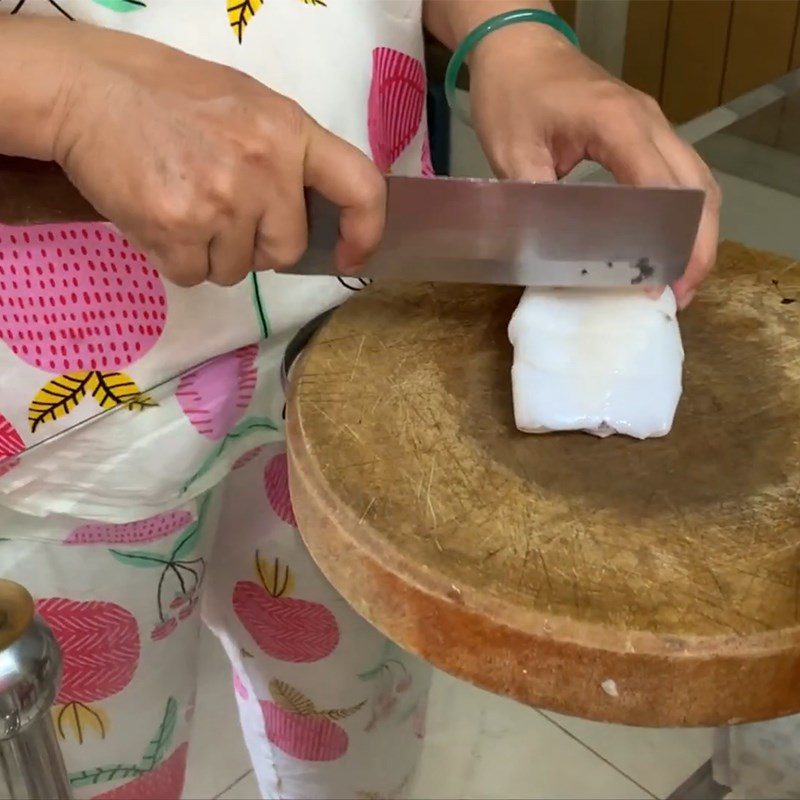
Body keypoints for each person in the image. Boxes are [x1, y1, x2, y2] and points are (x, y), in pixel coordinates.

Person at [0, 2, 720, 798]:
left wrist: (510, 30)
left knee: (356, 724)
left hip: (371, 338)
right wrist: (64, 90)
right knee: (104, 770)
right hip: (57, 418)